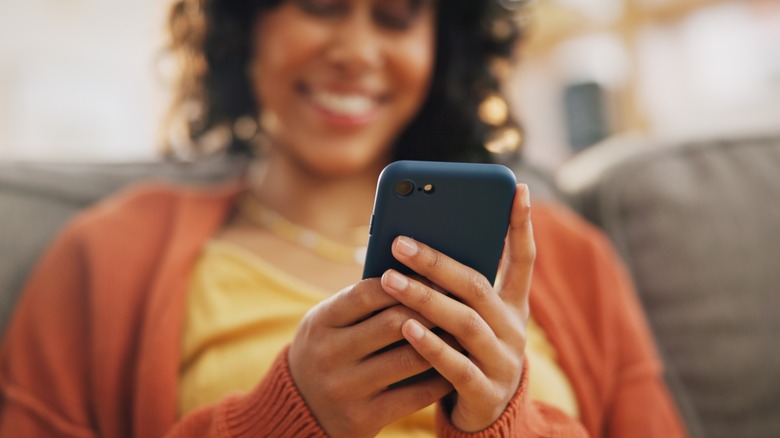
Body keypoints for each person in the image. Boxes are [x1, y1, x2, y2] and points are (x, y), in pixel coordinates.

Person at [0, 0, 686, 436]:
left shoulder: (567, 253)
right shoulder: (109, 251)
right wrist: (285, 419)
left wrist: (507, 422)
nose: (357, 51)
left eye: (395, 18)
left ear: (442, 46)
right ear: (248, 23)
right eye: (322, 6)